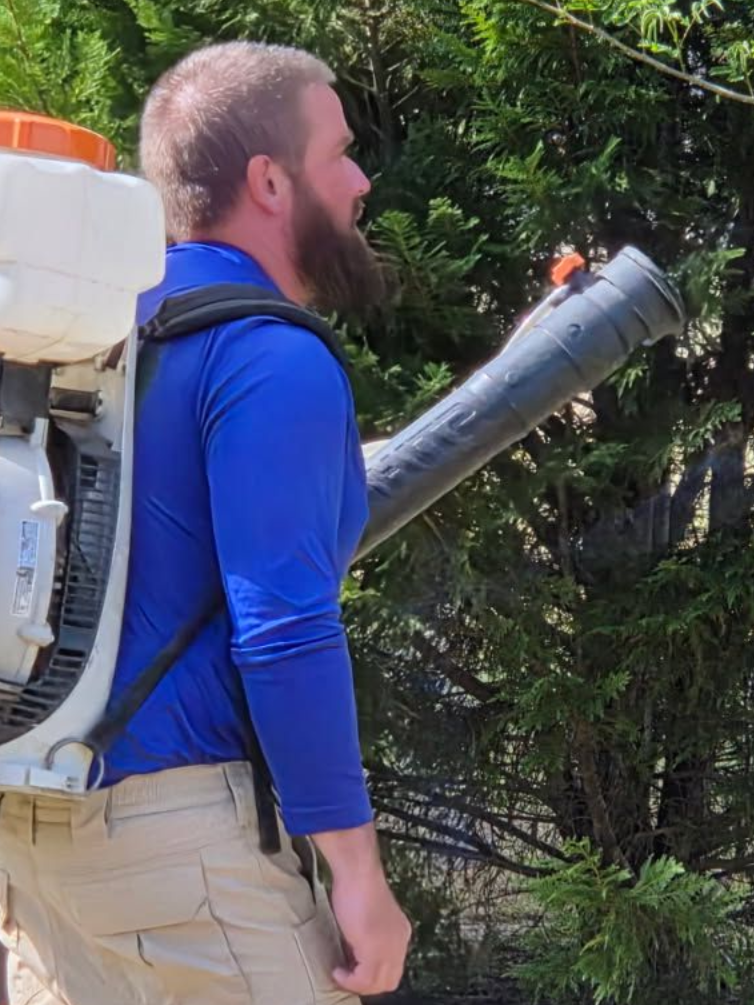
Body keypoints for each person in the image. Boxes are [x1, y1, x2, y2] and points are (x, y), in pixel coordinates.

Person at [0, 40, 411, 1005]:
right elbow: (285, 628)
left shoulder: (79, 332)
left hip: (35, 818)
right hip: (183, 857)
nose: (358, 180)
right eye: (340, 151)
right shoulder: (271, 358)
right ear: (270, 180)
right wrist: (356, 871)